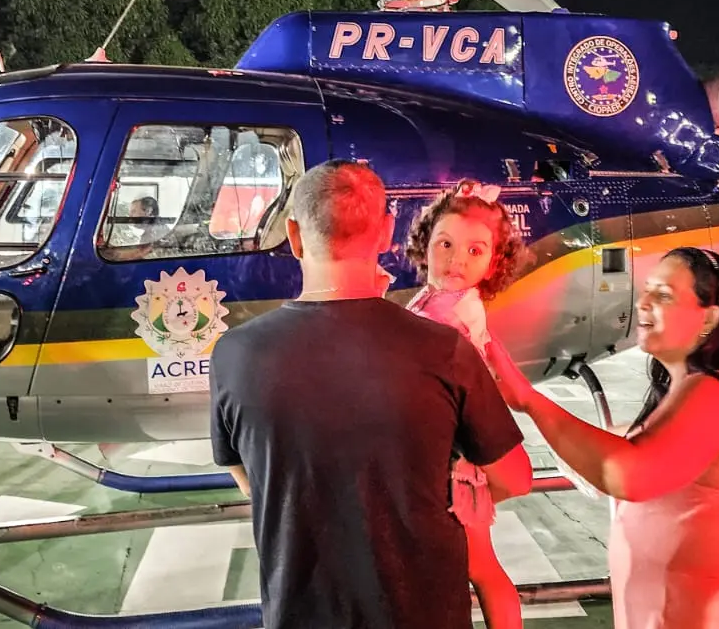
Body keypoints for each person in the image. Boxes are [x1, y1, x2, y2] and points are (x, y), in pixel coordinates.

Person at [208, 159, 534, 628]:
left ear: (294, 236)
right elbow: (515, 478)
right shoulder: (445, 350)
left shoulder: (235, 354)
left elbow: (251, 480)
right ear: (385, 233)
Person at [484, 246, 719, 628]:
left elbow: (629, 473)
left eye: (663, 295)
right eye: (647, 290)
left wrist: (529, 401)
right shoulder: (689, 394)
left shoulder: (715, 394)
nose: (643, 303)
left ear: (709, 317)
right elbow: (639, 446)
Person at [403, 178, 530, 629]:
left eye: (475, 251)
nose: (457, 259)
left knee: (479, 567)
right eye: (446, 245)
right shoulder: (442, 298)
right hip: (447, 448)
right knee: (474, 565)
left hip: (455, 457)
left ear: (494, 261)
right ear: (425, 245)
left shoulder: (455, 310)